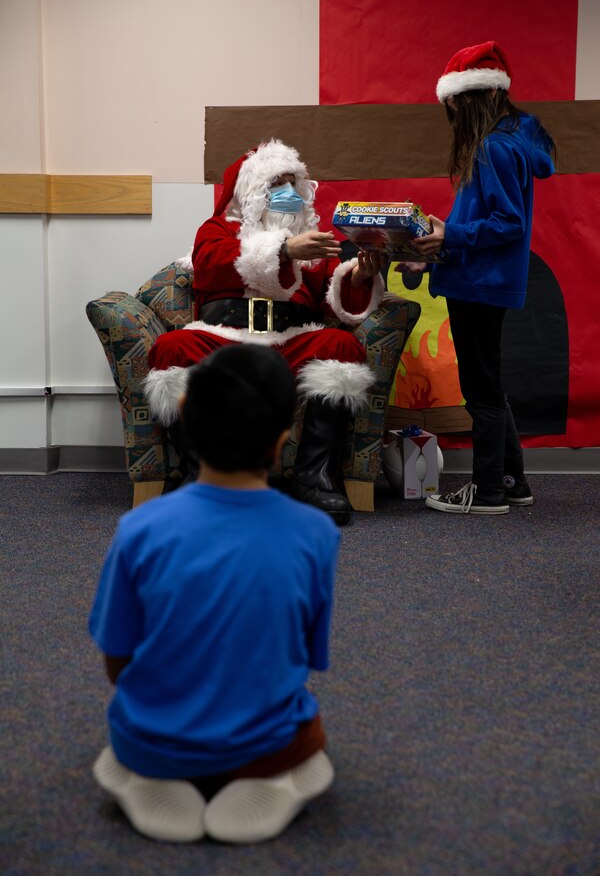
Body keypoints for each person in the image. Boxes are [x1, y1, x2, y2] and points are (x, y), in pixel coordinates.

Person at [89, 343, 340, 844]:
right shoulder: (316, 532)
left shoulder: (139, 527)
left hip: (152, 740)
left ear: (183, 414)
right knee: (308, 735)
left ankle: (148, 771)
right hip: (265, 745)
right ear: (282, 441)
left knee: (127, 730)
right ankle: (268, 776)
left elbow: (116, 658)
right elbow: (308, 655)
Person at [144, 138, 385, 525]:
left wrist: (358, 275)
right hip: (222, 338)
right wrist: (285, 250)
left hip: (289, 339)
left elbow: (329, 297)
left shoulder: (312, 239)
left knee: (340, 345)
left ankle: (316, 479)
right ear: (252, 193)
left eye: (293, 183)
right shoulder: (217, 228)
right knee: (172, 348)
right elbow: (212, 263)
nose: (289, 194)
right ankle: (198, 477)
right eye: (277, 185)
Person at [399, 41, 556, 515]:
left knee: (482, 392)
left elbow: (507, 224)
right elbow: (476, 227)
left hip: (480, 286)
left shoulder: (493, 148)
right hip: (478, 279)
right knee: (489, 386)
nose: (450, 116)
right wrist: (433, 254)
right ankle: (513, 482)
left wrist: (449, 238)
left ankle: (488, 493)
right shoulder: (507, 142)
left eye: (452, 106)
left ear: (471, 98)